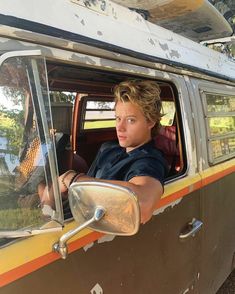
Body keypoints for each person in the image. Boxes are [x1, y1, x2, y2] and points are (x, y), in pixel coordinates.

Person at [41, 80, 168, 224]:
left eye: (131, 120)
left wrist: (72, 179)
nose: (120, 127)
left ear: (150, 121)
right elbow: (88, 187)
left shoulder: (150, 161)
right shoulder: (108, 148)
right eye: (118, 118)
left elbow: (141, 206)